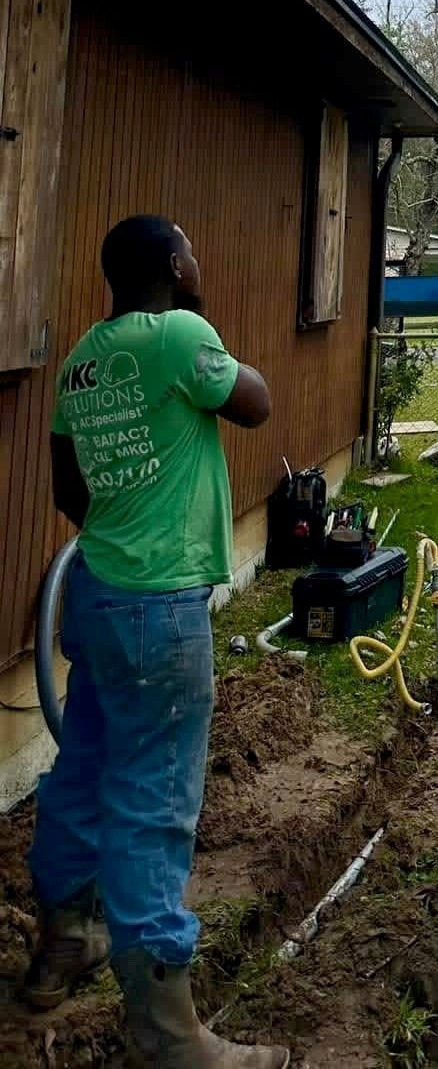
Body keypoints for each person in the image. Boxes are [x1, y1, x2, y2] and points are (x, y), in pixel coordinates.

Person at [25, 215, 289, 1068]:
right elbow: (255, 403)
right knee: (152, 803)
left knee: (86, 763)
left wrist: (124, 523)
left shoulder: (81, 360)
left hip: (96, 593)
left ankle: (64, 941)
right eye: (193, 250)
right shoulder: (181, 334)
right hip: (158, 609)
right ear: (176, 264)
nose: (199, 260)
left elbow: (72, 488)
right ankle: (173, 1039)